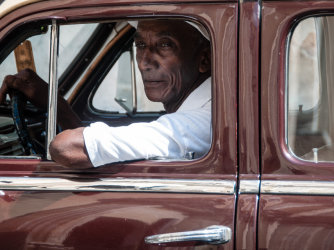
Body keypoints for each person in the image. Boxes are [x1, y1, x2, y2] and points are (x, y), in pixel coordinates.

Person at [0, 19, 212, 169]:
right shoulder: (206, 112)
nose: (144, 62)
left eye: (165, 45)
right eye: (140, 45)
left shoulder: (199, 124)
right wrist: (57, 105)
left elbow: (67, 148)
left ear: (204, 59)